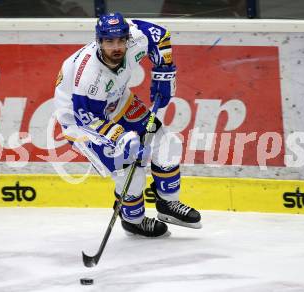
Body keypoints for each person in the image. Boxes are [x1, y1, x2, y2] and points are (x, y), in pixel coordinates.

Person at [53, 12, 201, 237]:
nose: (117, 47)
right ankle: (133, 220)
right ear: (99, 41)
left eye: (121, 40)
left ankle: (168, 204)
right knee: (129, 168)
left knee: (167, 143)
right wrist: (122, 138)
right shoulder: (89, 76)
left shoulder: (136, 38)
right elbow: (88, 119)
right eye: (109, 41)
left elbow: (160, 36)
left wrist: (164, 71)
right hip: (80, 122)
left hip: (116, 100)